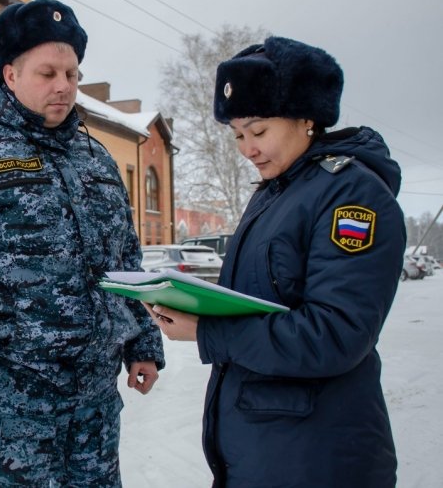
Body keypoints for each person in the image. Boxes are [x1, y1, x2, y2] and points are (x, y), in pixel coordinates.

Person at [0, 0, 165, 487]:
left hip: (96, 402)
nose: (64, 86)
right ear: (9, 74)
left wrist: (142, 343)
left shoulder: (96, 160)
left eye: (72, 73)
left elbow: (125, 259)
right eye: (47, 73)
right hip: (14, 405)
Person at [146, 36, 404, 487]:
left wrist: (208, 332)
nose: (247, 149)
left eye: (259, 131)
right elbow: (254, 303)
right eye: (238, 135)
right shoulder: (274, 193)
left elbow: (336, 334)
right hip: (264, 453)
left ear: (306, 118)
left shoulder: (352, 196)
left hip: (318, 459)